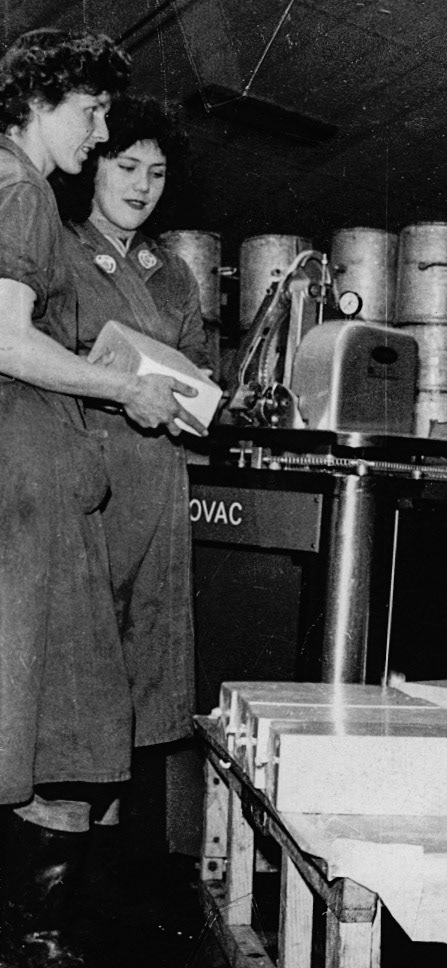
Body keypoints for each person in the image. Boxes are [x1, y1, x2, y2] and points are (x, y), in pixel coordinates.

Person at [0, 29, 206, 967]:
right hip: (54, 494)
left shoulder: (170, 268)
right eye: (93, 116)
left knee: (77, 709)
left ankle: (47, 925)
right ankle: (34, 930)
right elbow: (9, 342)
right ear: (45, 102)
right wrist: (124, 387)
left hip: (112, 490)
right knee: (60, 707)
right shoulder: (25, 194)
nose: (101, 133)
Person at [53, 93, 211, 918]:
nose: (142, 185)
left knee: (140, 686)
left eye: (155, 173)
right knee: (77, 683)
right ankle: (49, 894)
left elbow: (197, 371)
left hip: (158, 487)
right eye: (126, 167)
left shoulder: (171, 271)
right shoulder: (56, 249)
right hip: (87, 488)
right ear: (95, 167)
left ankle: (104, 881)